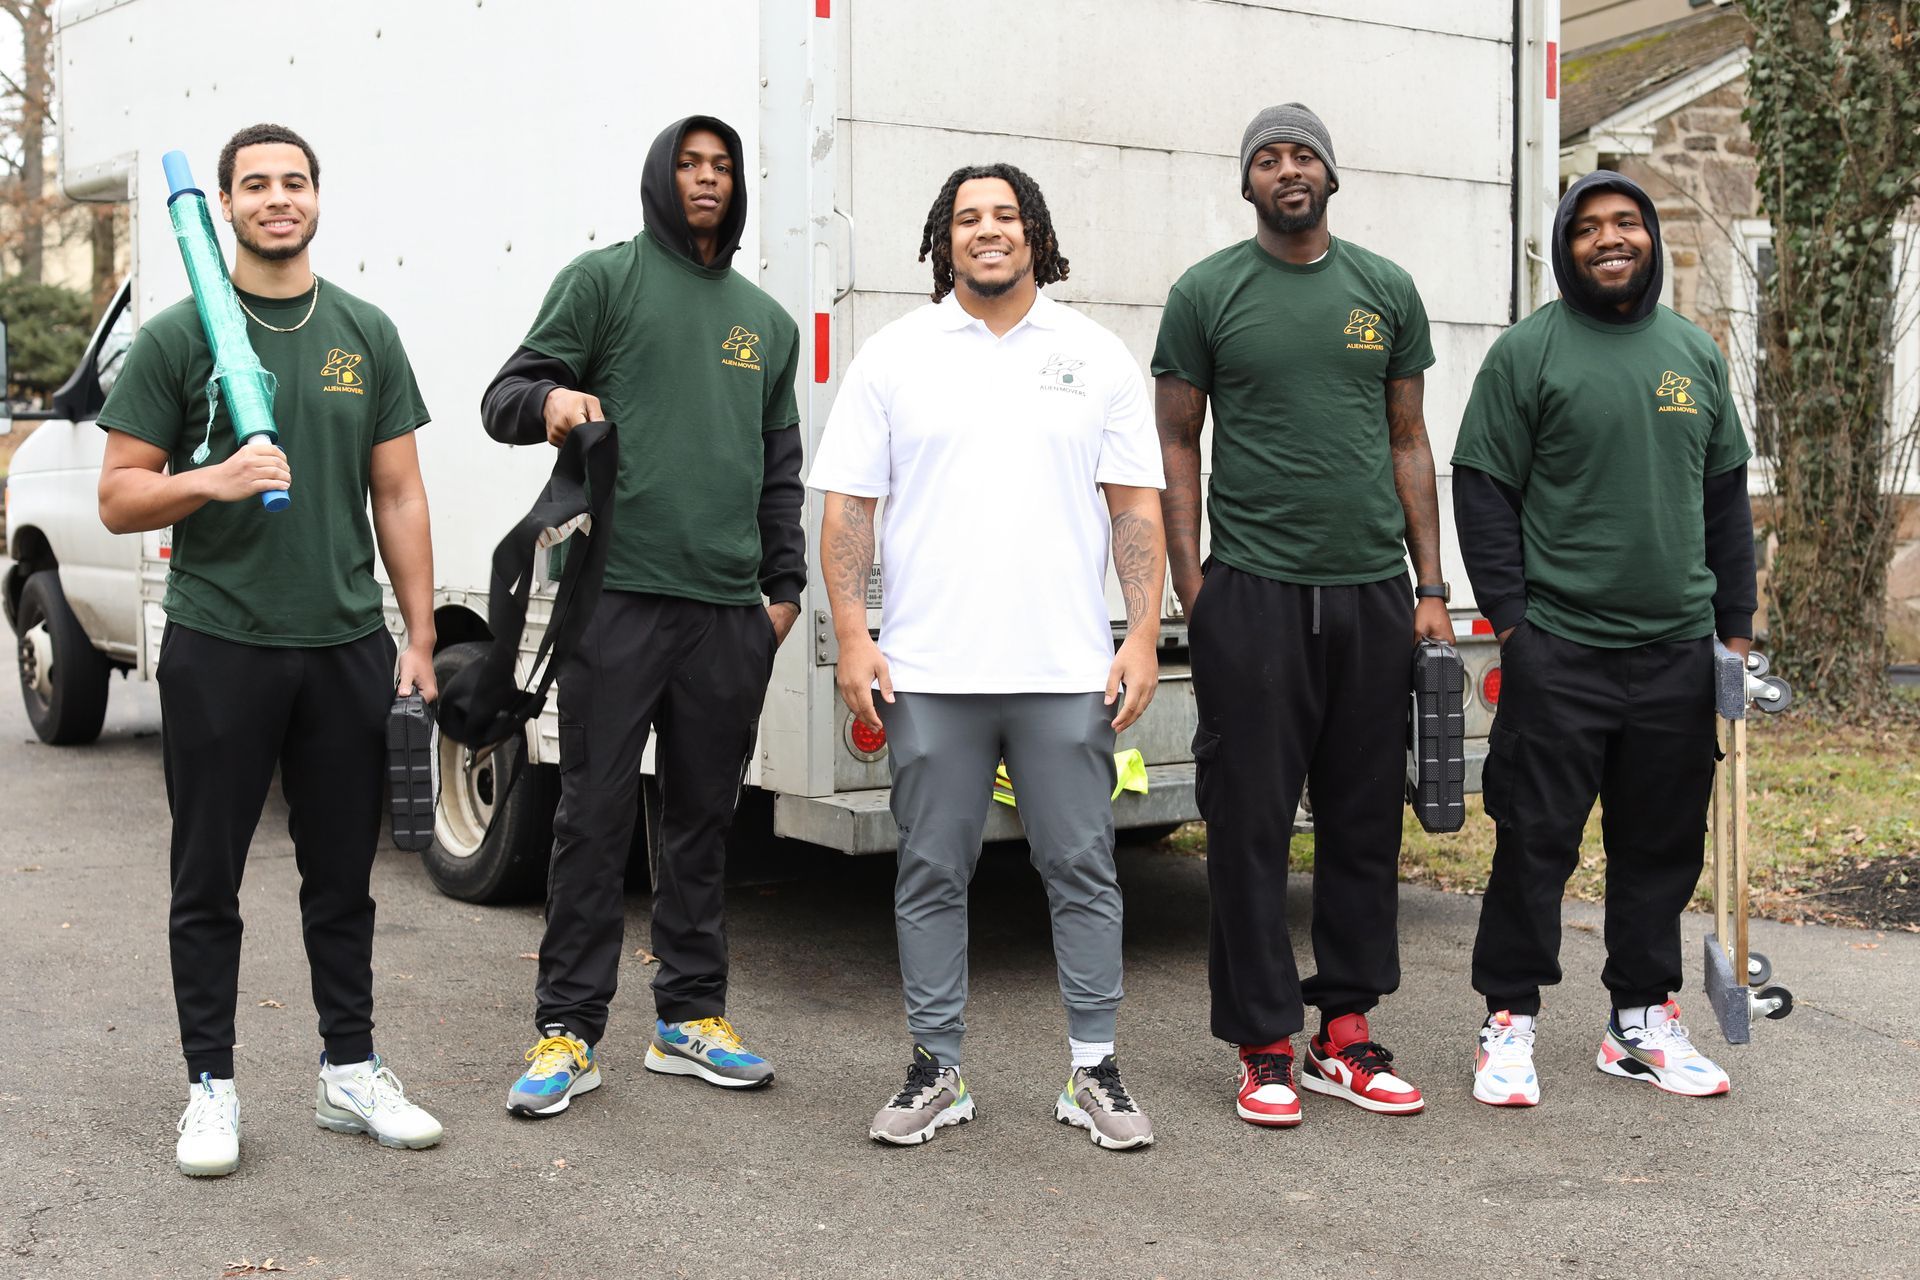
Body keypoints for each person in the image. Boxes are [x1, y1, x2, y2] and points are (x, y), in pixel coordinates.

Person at [96, 123, 443, 1176]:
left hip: (343, 642)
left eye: (294, 182)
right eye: (256, 185)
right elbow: (118, 494)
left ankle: (351, 1068)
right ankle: (212, 1084)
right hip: (221, 640)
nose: (278, 199)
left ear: (319, 199)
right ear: (227, 205)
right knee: (207, 878)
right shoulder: (178, 336)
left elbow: (399, 490)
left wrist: (419, 632)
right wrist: (214, 479)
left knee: (343, 877)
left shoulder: (365, 331)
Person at [811, 163, 1167, 1150]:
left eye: (1005, 215)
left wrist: (1140, 633)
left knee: (1083, 866)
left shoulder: (1094, 355)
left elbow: (1135, 506)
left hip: (1064, 670)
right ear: (943, 239)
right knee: (929, 869)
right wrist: (851, 632)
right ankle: (937, 1068)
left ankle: (1094, 1068)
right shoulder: (896, 356)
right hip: (930, 671)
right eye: (967, 218)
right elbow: (849, 506)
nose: (987, 231)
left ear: (1035, 233)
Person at [480, 115, 804, 1118]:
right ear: (660, 177)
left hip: (725, 615)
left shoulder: (767, 320)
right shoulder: (605, 281)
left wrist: (780, 597)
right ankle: (568, 1029)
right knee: (593, 813)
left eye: (722, 167)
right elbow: (505, 395)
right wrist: (556, 405)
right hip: (614, 600)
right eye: (690, 164)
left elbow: (780, 469)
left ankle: (690, 1016)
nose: (706, 180)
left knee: (704, 818)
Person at [1153, 104, 1452, 1127]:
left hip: (1371, 593)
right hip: (1255, 592)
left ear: (1331, 173)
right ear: (1247, 184)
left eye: (1304, 154)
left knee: (1366, 817)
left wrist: (1429, 587)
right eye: (1268, 158)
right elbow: (1178, 442)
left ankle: (1348, 1030)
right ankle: (1263, 1041)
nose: (1288, 169)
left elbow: (1410, 439)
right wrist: (1195, 586)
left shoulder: (1385, 290)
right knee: (1248, 823)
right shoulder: (1207, 293)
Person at [1453, 171, 1754, 1106]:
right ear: (1565, 245)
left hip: (1673, 652)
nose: (1611, 239)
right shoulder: (1528, 354)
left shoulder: (1693, 355)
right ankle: (1509, 1020)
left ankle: (1642, 1020)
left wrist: (1734, 637)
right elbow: (1482, 492)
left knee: (1659, 846)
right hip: (1563, 651)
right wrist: (1518, 628)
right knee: (1535, 841)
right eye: (1590, 228)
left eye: (1628, 223)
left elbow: (1725, 503)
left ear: (1651, 240)